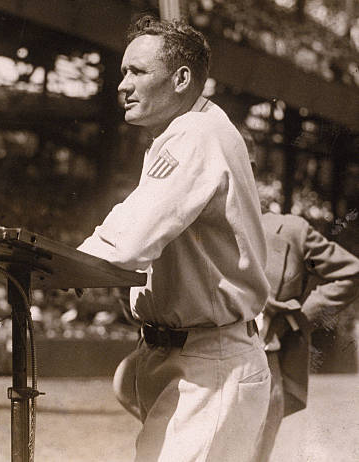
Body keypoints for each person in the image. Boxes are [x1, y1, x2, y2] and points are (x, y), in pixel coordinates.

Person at [77, 17, 271, 461]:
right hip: (179, 355)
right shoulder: (183, 132)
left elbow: (129, 243)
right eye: (123, 71)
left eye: (137, 72)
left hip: (211, 361)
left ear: (182, 79)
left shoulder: (196, 133)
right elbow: (137, 219)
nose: (122, 85)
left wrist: (70, 261)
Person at [254, 212, 359, 461]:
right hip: (197, 360)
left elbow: (351, 272)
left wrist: (296, 319)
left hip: (266, 363)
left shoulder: (291, 230)